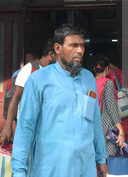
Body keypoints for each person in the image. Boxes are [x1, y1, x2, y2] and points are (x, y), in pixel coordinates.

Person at [11, 24, 109, 177]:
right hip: (50, 168)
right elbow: (25, 127)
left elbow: (95, 121)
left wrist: (101, 159)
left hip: (86, 168)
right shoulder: (39, 79)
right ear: (58, 48)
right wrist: (18, 171)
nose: (80, 51)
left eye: (82, 45)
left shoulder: (89, 78)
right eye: (74, 45)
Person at [0, 40, 57, 142]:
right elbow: (15, 98)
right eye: (59, 56)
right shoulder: (29, 69)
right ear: (51, 54)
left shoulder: (54, 72)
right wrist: (8, 126)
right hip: (28, 127)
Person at [107, 50, 128, 174]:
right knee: (124, 140)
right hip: (123, 109)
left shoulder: (109, 73)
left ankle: (117, 168)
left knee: (113, 139)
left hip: (114, 110)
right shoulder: (121, 72)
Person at [94, 57, 125, 156]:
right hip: (106, 127)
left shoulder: (90, 82)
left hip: (93, 125)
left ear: (95, 69)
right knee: (108, 157)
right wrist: (120, 128)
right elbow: (112, 108)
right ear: (107, 69)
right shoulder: (107, 83)